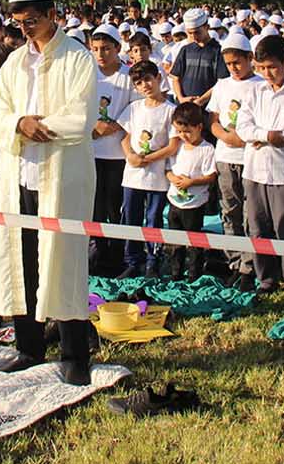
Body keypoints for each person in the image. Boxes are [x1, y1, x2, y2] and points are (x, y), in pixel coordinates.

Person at [0, 0, 98, 385]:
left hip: (61, 178)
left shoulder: (77, 59)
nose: (26, 28)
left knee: (63, 262)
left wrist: (36, 125)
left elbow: (81, 119)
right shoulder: (13, 63)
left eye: (33, 19)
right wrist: (17, 123)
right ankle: (28, 347)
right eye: (19, 22)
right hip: (19, 178)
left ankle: (74, 355)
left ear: (52, 14)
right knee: (21, 261)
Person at [236, 35, 284, 299]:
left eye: (272, 67)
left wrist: (271, 137)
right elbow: (243, 127)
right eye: (261, 68)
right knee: (258, 226)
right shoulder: (254, 91)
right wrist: (270, 136)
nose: (267, 73)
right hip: (255, 170)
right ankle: (266, 278)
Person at [209, 31, 262, 282]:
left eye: (237, 63)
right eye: (229, 64)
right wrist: (226, 136)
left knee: (250, 212)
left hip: (251, 157)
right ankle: (234, 260)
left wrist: (245, 138)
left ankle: (250, 264)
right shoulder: (222, 85)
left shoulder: (260, 85)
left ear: (250, 58)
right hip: (226, 154)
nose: (233, 68)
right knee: (229, 209)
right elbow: (214, 119)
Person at [117, 60, 179, 278]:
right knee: (131, 217)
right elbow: (125, 136)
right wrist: (131, 156)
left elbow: (173, 145)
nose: (145, 85)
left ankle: (153, 260)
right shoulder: (134, 108)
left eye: (148, 79)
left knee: (153, 219)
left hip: (156, 176)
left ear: (158, 78)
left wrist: (149, 158)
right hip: (133, 175)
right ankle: (132, 260)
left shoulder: (171, 110)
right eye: (139, 82)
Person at [89, 23, 135, 275]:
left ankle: (118, 257)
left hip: (117, 153)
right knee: (94, 206)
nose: (100, 54)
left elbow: (136, 108)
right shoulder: (88, 73)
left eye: (106, 49)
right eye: (95, 49)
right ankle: (97, 256)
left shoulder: (127, 77)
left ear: (118, 48)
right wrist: (91, 126)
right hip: (91, 150)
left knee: (114, 206)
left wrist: (114, 125)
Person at [165, 100, 218, 282]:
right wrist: (172, 178)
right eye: (179, 131)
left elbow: (211, 176)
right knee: (176, 241)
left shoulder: (207, 149)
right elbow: (168, 169)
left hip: (194, 204)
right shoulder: (177, 147)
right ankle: (176, 272)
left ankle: (194, 273)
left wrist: (192, 182)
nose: (183, 136)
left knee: (194, 241)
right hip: (174, 201)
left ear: (199, 127)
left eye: (187, 131)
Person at [169, 9, 227, 106]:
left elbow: (221, 83)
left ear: (207, 27)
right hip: (185, 106)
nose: (194, 36)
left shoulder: (218, 51)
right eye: (190, 33)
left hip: (208, 107)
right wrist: (181, 98)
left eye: (197, 32)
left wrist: (201, 101)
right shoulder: (185, 50)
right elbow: (175, 78)